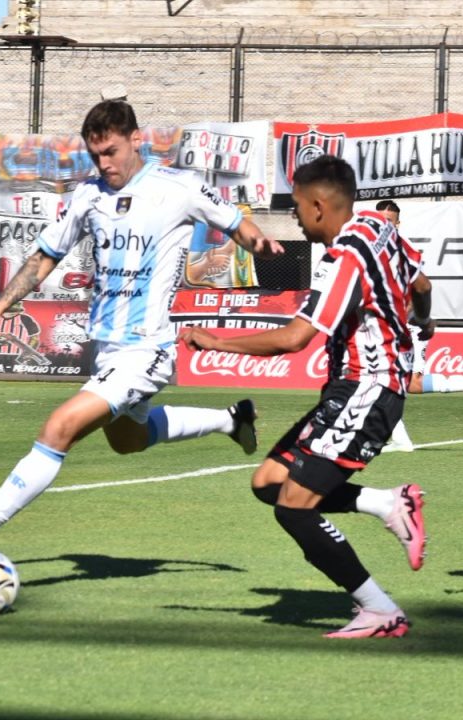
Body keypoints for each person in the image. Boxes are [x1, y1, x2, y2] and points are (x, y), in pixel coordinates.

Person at [0, 99, 284, 559]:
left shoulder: (180, 187)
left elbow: (237, 224)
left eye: (111, 151)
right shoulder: (87, 195)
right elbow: (45, 256)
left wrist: (259, 242)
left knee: (59, 428)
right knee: (128, 442)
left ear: (137, 139)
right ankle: (231, 419)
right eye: (96, 155)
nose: (104, 163)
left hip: (146, 349)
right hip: (105, 348)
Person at [180, 156, 427, 639]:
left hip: (366, 389)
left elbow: (295, 339)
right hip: (357, 388)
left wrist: (217, 341)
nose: (293, 216)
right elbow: (421, 281)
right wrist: (425, 321)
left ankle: (378, 609)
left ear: (318, 205)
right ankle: (387, 504)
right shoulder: (379, 223)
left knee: (294, 508)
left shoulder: (344, 258)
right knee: (268, 482)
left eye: (295, 207)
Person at [374, 199, 463, 453]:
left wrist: (402, 319)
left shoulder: (405, 251)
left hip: (408, 327)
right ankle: (400, 438)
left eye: (389, 221)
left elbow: (417, 290)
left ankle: (400, 439)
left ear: (398, 223)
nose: (384, 225)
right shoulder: (374, 250)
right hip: (389, 325)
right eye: (380, 220)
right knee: (395, 381)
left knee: (402, 382)